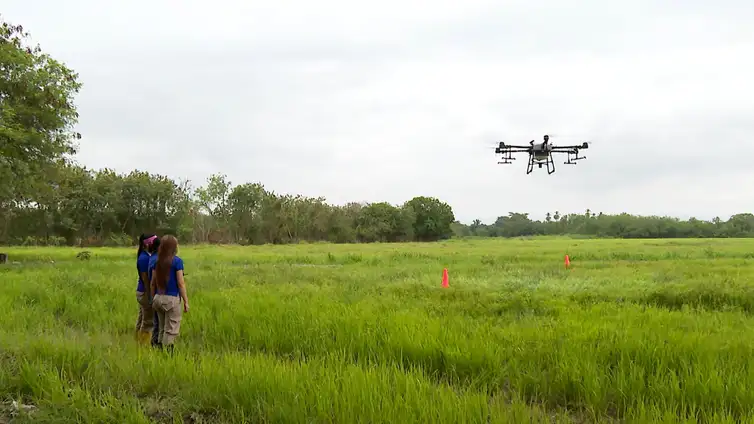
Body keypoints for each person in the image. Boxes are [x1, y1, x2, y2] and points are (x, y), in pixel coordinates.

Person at [149, 234, 189, 354]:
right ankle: (168, 355)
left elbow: (152, 283)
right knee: (171, 330)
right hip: (171, 300)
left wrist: (152, 299)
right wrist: (186, 301)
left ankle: (159, 352)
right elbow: (181, 283)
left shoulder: (157, 262)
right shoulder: (177, 262)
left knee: (161, 328)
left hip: (157, 298)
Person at [135, 234, 157, 345]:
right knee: (148, 321)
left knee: (141, 318)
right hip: (145, 292)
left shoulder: (146, 255)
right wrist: (150, 297)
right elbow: (145, 279)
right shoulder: (144, 258)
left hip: (142, 291)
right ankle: (142, 344)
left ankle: (137, 339)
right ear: (147, 244)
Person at [146, 236, 162, 347]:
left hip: (155, 294)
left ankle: (155, 343)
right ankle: (156, 344)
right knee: (159, 323)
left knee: (157, 322)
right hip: (158, 293)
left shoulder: (152, 257)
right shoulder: (157, 260)